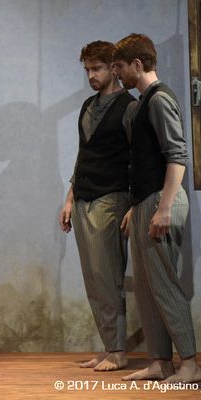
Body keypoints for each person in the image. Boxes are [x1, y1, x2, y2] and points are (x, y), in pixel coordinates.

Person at [114, 33, 201, 383]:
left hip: (162, 200)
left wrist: (163, 208)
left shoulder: (159, 99)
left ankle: (190, 364)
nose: (117, 73)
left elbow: (177, 155)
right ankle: (160, 362)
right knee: (147, 290)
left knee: (164, 284)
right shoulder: (143, 102)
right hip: (146, 201)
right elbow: (145, 162)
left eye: (120, 66)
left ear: (137, 64)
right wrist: (137, 206)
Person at [59, 41, 136, 371]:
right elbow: (83, 154)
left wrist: (134, 204)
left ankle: (118, 351)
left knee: (108, 277)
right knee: (93, 278)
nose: (91, 75)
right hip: (83, 198)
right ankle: (108, 347)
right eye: (87, 69)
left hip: (111, 197)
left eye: (97, 68)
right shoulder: (88, 105)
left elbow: (139, 159)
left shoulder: (129, 107)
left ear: (113, 68)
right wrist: (69, 197)